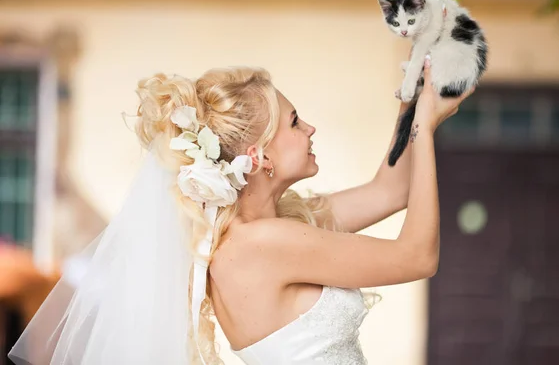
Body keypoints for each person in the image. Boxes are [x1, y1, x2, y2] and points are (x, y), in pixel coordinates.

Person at [8, 57, 472, 365]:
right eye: (293, 122)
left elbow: (388, 190)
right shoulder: (264, 244)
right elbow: (418, 257)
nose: (309, 129)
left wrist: (415, 106)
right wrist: (426, 132)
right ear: (260, 155)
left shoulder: (274, 228)